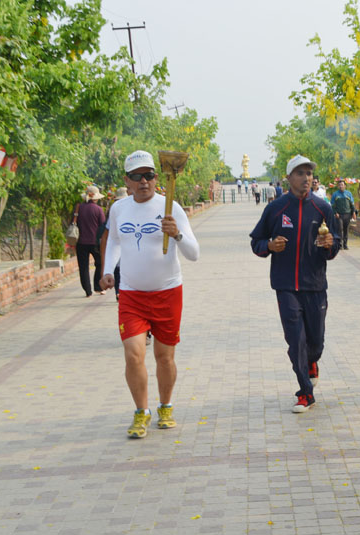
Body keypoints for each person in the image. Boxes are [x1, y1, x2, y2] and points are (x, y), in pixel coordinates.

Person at [101, 150, 200, 439]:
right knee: (133, 355)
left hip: (168, 292)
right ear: (127, 181)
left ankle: (165, 406)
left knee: (164, 357)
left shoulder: (171, 207)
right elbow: (115, 242)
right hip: (131, 294)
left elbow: (194, 254)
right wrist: (108, 269)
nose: (144, 181)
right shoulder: (119, 209)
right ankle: (141, 412)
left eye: (149, 175)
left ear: (158, 177)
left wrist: (178, 234)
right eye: (136, 176)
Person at [250, 154, 341, 413]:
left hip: (315, 285)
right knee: (295, 341)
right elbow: (256, 242)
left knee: (316, 342)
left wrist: (329, 245)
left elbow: (334, 246)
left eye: (309, 174)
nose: (306, 178)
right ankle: (305, 392)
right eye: (300, 174)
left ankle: (312, 362)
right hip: (286, 285)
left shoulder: (323, 208)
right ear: (289, 178)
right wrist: (269, 245)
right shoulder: (276, 208)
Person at [74, 185, 107, 297]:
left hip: (81, 242)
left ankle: (88, 291)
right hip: (95, 243)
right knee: (99, 263)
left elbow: (74, 223)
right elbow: (102, 226)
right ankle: (97, 287)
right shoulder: (98, 210)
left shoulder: (79, 208)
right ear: (96, 198)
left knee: (83, 267)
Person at [331, 180, 358, 250]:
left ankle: (345, 244)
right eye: (339, 185)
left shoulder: (348, 194)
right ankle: (339, 244)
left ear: (345, 186)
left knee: (346, 230)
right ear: (338, 186)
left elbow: (352, 204)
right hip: (339, 215)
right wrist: (335, 212)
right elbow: (332, 205)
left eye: (342, 185)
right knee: (340, 229)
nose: (341, 186)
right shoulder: (335, 194)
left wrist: (353, 213)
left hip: (347, 214)